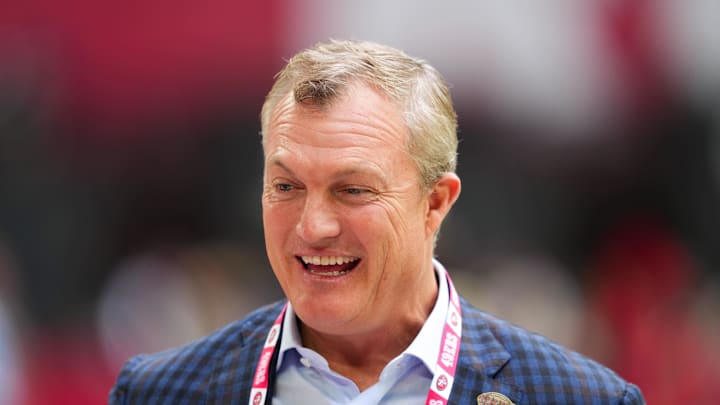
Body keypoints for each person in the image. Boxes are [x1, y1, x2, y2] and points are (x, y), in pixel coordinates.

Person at [109, 39, 645, 405]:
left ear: (435, 203)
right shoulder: (160, 393)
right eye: (286, 187)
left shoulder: (577, 397)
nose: (313, 227)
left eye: (353, 190)